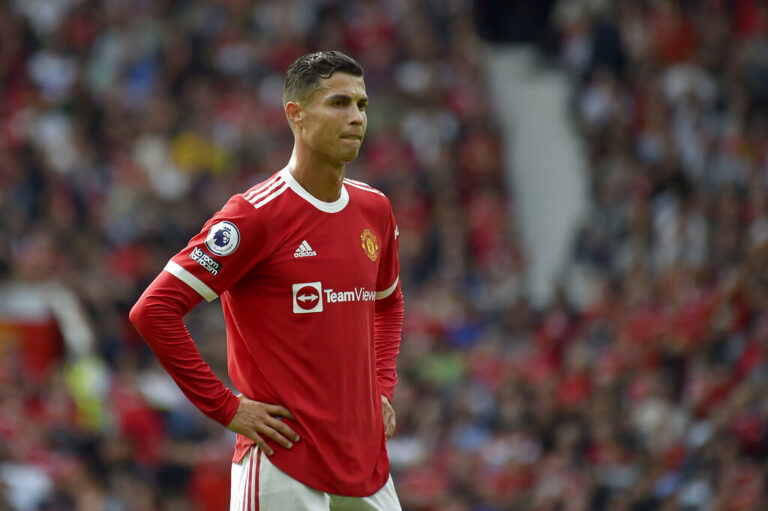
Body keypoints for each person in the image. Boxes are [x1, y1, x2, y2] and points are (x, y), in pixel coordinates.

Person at [129, 51, 404, 510]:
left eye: (362, 105)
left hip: (365, 461)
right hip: (283, 462)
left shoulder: (375, 208)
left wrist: (381, 387)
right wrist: (226, 407)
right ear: (296, 114)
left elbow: (388, 302)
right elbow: (153, 310)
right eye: (339, 103)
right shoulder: (255, 215)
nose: (356, 117)